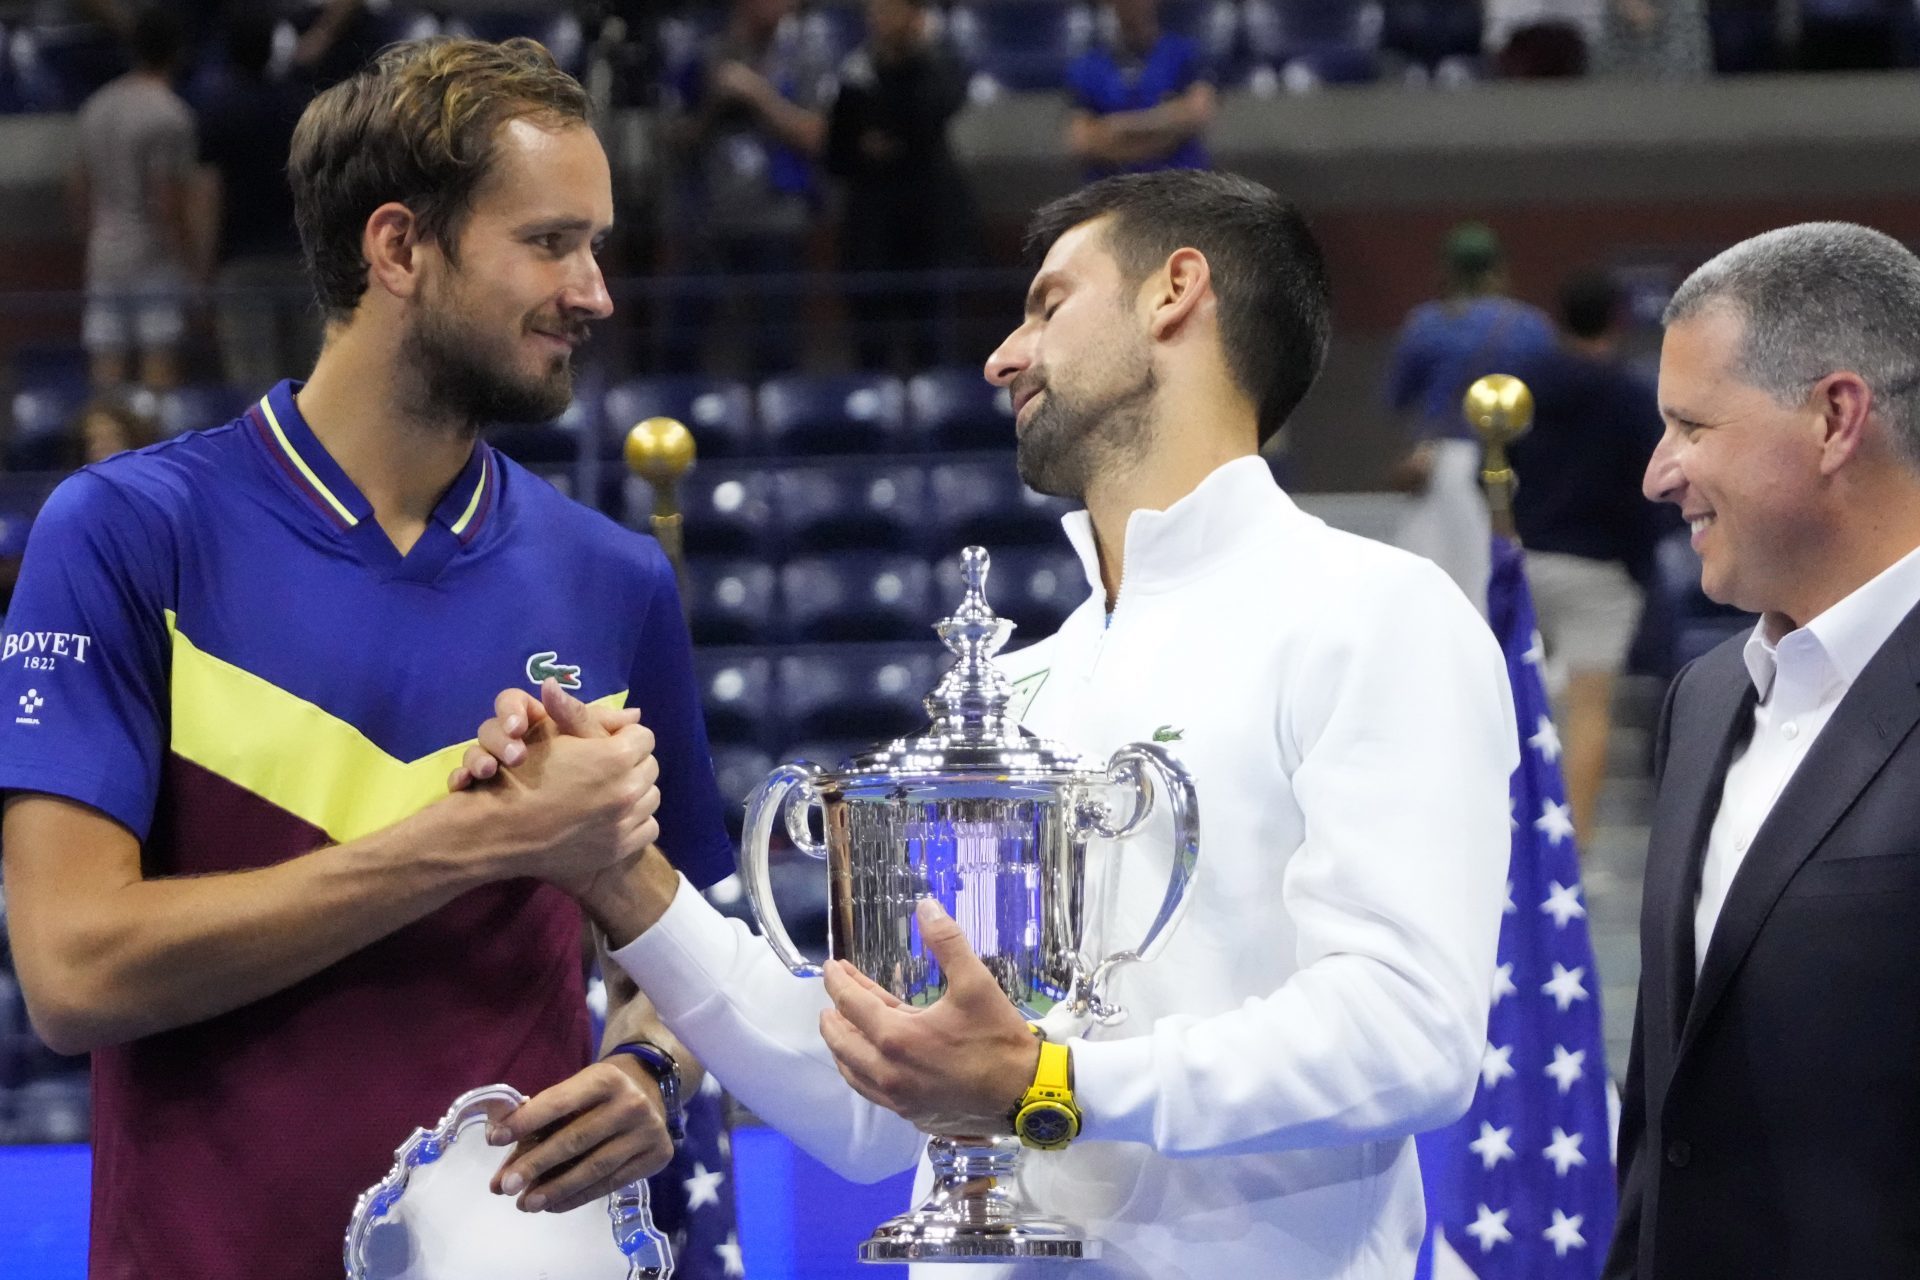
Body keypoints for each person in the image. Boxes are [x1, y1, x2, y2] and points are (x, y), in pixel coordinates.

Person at [464, 169, 1519, 1278]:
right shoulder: (1019, 689)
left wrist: (1042, 1083)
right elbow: (879, 1110)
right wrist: (620, 874)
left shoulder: (1376, 613)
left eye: (1048, 304)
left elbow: (1411, 1033)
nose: (1002, 356)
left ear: (1177, 292)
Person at [0, 38, 735, 1280]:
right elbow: (73, 966)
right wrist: (477, 838)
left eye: (595, 245)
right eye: (551, 242)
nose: (596, 289)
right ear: (398, 248)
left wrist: (650, 1064)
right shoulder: (128, 532)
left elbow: (693, 951)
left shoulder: (613, 577)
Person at [1607, 222, 1920, 1278]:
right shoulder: (1702, 700)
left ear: (1836, 416)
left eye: (1690, 424)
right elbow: (1662, 1122)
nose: (1659, 473)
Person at [1506, 270, 1665, 853]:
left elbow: (1492, 472)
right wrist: (1639, 563)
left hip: (1526, 560)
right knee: (1590, 709)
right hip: (1600, 569)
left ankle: (1514, 848)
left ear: (1557, 319)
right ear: (1618, 321)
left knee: (1519, 704)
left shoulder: (1523, 390)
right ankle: (1572, 853)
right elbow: (1646, 487)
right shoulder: (1628, 395)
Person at [1385, 221, 1556, 607]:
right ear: (1498, 268)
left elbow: (1397, 398)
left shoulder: (1426, 324)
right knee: (1498, 576)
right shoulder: (1530, 326)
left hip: (1443, 463)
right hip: (1516, 464)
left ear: (1447, 270)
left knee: (1433, 584)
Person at [661, 0, 832, 372]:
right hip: (709, 223)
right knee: (680, 343)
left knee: (777, 347)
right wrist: (713, 104)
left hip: (778, 222)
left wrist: (759, 96)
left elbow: (816, 137)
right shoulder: (705, 56)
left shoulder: (804, 57)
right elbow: (675, 139)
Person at [824, 0, 975, 372]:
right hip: (870, 231)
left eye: (890, 11)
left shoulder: (937, 66)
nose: (880, 20)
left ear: (914, 16)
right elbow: (836, 153)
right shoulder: (856, 72)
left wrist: (889, 134)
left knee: (931, 345)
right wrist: (865, 146)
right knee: (871, 346)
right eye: (873, 13)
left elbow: (936, 111)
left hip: (928, 226)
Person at [71, 6, 205, 391]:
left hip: (104, 248)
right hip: (154, 253)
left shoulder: (95, 106)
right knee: (158, 364)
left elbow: (77, 187)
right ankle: (150, 448)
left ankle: (108, 450)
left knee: (106, 361)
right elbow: (168, 201)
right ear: (177, 51)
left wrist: (94, 236)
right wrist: (191, 264)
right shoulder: (171, 115)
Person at [198, 10, 321, 393]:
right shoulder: (301, 107)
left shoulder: (219, 111)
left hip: (242, 265)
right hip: (303, 259)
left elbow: (208, 195)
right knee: (313, 382)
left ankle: (262, 456)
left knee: (252, 383)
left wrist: (202, 269)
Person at [1064, 0, 1216, 181]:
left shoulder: (1184, 53)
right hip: (1112, 193)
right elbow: (1083, 142)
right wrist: (1168, 122)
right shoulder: (1087, 67)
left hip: (1180, 188)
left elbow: (1197, 114)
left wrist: (1118, 128)